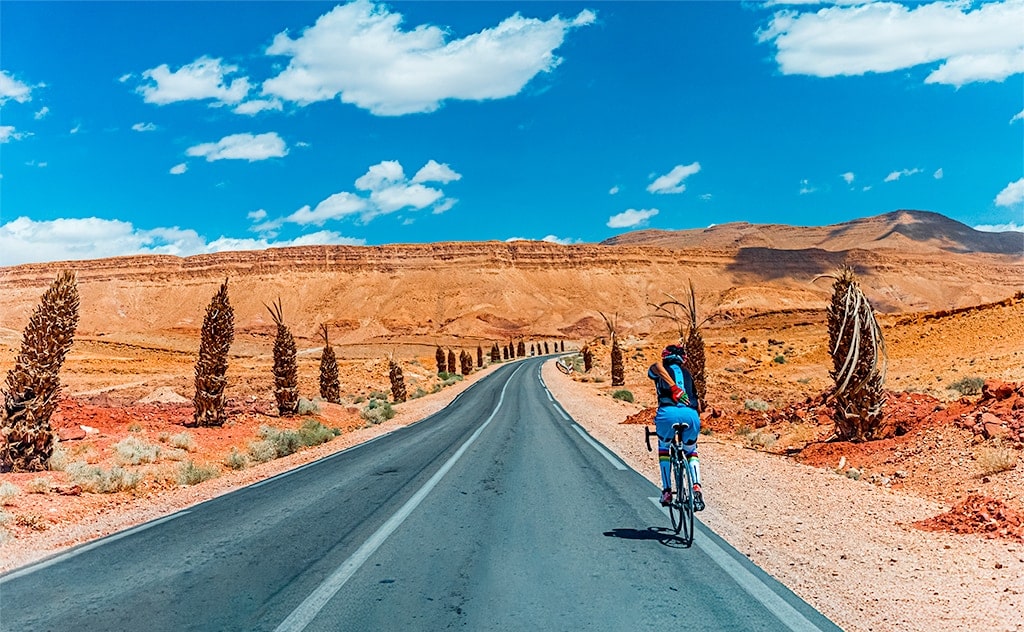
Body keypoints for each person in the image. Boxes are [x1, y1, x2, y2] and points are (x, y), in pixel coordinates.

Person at [648, 344, 705, 511]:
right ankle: (696, 487)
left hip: (668, 414)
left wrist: (673, 388)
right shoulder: (688, 374)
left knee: (664, 446)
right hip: (691, 415)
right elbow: (699, 404)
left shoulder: (661, 369)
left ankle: (666, 491)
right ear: (683, 359)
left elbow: (655, 367)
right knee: (691, 450)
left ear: (665, 356)